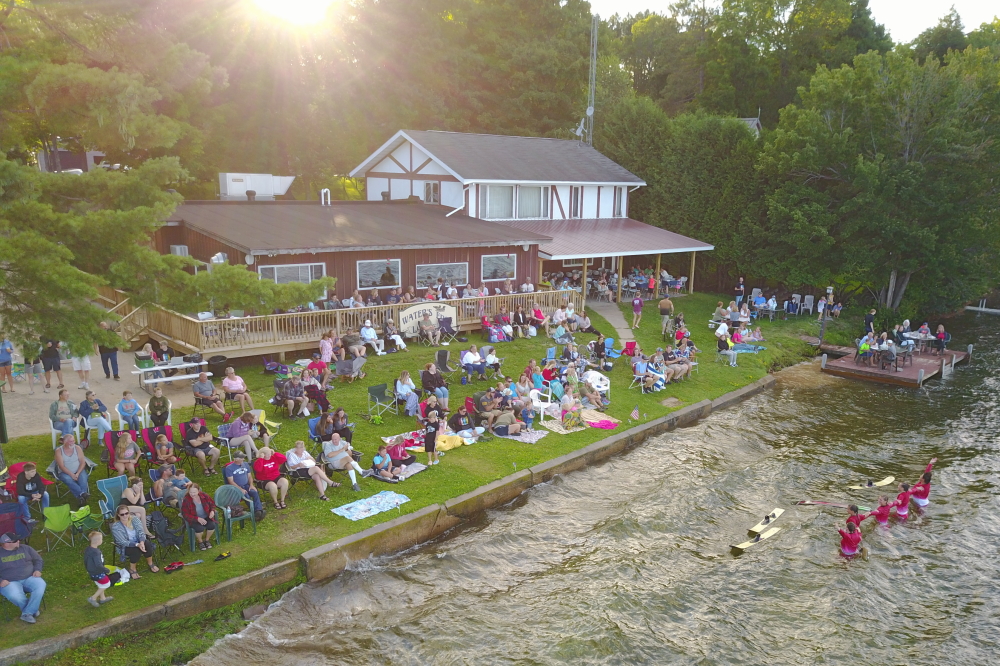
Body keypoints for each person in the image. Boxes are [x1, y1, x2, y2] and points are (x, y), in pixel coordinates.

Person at [0, 532, 46, 624]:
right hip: (9, 582)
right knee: (15, 595)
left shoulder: (26, 548)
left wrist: (37, 570)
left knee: (41, 584)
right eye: (16, 540)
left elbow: (38, 560)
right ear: (7, 543)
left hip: (30, 577)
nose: (19, 541)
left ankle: (27, 613)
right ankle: (32, 609)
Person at [111, 506, 158, 576]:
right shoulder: (116, 527)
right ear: (118, 515)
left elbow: (141, 532)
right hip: (125, 546)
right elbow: (122, 542)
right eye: (122, 514)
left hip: (138, 541)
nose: (125, 516)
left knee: (147, 543)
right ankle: (132, 569)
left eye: (126, 513)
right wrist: (137, 544)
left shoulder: (134, 519)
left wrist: (141, 542)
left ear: (129, 513)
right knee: (136, 550)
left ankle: (150, 563)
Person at [84, 531, 117, 608]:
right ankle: (93, 598)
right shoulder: (96, 553)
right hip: (98, 572)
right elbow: (98, 565)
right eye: (101, 539)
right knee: (106, 583)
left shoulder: (88, 549)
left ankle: (103, 598)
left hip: (92, 571)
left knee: (101, 584)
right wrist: (106, 570)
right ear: (98, 541)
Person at [54, 434, 90, 502]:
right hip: (64, 472)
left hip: (79, 470)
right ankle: (83, 494)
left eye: (73, 441)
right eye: (70, 441)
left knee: (83, 478)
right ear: (65, 442)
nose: (73, 443)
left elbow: (82, 462)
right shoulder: (59, 451)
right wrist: (71, 474)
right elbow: (61, 466)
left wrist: (78, 473)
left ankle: (81, 498)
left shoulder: (77, 448)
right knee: (68, 479)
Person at [181, 484, 217, 551]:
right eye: (191, 492)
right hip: (194, 518)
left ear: (198, 491)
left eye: (194, 492)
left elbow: (212, 504)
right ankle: (200, 542)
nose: (192, 494)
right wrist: (197, 518)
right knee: (199, 528)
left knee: (212, 526)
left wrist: (212, 511)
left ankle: (207, 540)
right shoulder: (186, 499)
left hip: (206, 516)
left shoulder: (204, 496)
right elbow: (185, 514)